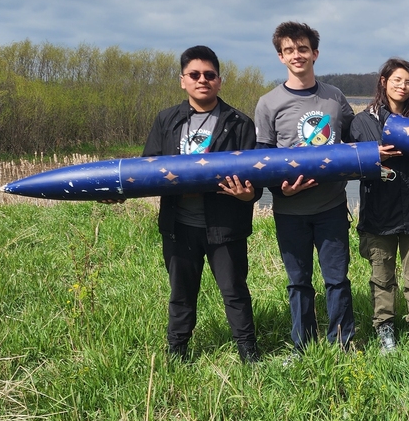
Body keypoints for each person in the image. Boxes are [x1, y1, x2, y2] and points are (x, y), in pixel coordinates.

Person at [117, 45, 262, 363]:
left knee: (234, 292)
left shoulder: (239, 123)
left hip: (225, 227)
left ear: (219, 81)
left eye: (209, 75)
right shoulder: (167, 120)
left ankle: (248, 354)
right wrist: (117, 190)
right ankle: (177, 353)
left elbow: (256, 185)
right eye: (194, 75)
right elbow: (147, 170)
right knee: (181, 295)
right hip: (179, 226)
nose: (202, 80)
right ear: (183, 80)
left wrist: (245, 194)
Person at [254, 21, 356, 353]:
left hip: (332, 208)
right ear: (280, 57)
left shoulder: (335, 97)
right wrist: (283, 191)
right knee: (298, 283)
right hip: (289, 211)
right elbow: (262, 161)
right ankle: (302, 348)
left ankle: (341, 344)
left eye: (302, 49)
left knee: (337, 280)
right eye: (289, 50)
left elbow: (355, 138)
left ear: (315, 53)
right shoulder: (268, 103)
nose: (296, 55)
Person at [346, 58, 409, 357]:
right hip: (378, 214)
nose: (403, 86)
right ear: (383, 81)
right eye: (397, 80)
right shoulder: (362, 121)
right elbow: (350, 164)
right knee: (381, 279)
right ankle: (385, 332)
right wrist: (375, 158)